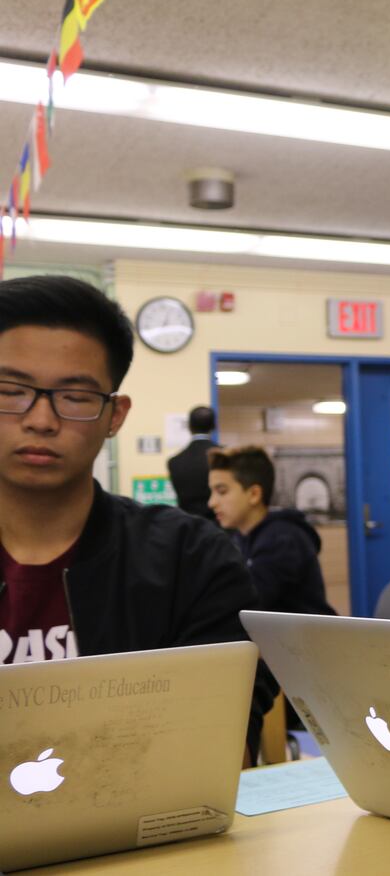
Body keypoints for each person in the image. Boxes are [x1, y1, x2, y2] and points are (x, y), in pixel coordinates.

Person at [0, 275, 276, 760]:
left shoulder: (192, 562)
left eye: (75, 397)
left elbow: (218, 744)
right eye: (9, 390)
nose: (40, 420)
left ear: (115, 415)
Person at [208, 445, 337, 618]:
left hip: (307, 642)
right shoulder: (240, 537)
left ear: (254, 494)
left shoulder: (282, 538)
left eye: (221, 491)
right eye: (212, 492)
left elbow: (247, 601)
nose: (212, 502)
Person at [167, 405, 218, 520]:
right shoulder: (225, 457)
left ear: (189, 426)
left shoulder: (174, 462)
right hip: (220, 527)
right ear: (214, 426)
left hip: (188, 528)